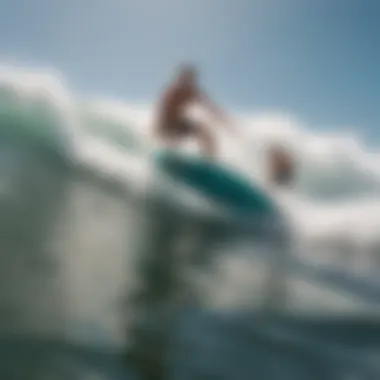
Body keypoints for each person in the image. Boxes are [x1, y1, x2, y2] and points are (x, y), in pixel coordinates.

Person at [154, 64, 233, 157]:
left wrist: (224, 120)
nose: (188, 81)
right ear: (181, 78)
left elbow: (210, 106)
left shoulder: (193, 92)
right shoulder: (174, 91)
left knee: (203, 130)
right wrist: (158, 128)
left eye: (190, 79)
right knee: (170, 139)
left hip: (179, 123)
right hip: (166, 124)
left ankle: (209, 157)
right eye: (185, 78)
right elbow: (162, 109)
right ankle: (169, 153)